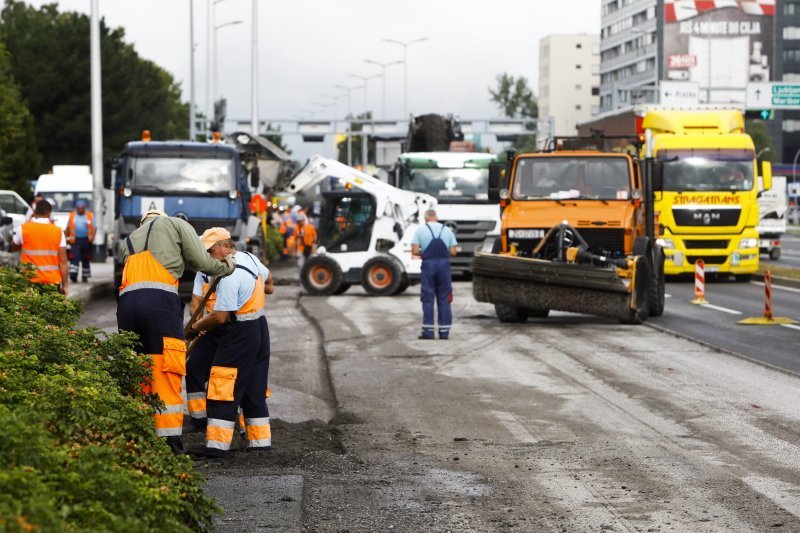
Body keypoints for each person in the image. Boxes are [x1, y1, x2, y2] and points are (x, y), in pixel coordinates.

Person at [116, 209, 236, 455]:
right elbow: (201, 262)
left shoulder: (127, 241)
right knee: (166, 371)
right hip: (159, 306)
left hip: (126, 308)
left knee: (137, 371)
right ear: (162, 217)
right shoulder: (176, 224)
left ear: (142, 223)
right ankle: (169, 449)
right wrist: (227, 267)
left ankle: (138, 441)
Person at [188, 236, 273, 458]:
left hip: (238, 333)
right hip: (259, 328)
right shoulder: (250, 259)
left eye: (210, 251)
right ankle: (260, 444)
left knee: (223, 387)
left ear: (225, 248)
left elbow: (220, 317)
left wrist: (196, 326)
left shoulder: (228, 276)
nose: (207, 257)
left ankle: (217, 448)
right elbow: (270, 282)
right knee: (254, 386)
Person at [411, 209, 458, 340]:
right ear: (436, 217)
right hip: (444, 266)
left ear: (425, 218)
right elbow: (453, 252)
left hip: (428, 266)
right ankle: (444, 332)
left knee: (428, 297)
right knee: (444, 298)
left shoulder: (420, 230)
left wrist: (425, 253)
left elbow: (415, 250)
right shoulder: (447, 230)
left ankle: (428, 332)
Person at [13, 200, 68, 293]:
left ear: (34, 212)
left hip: (29, 280)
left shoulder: (23, 228)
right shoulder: (58, 231)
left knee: (30, 307)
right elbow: (63, 262)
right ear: (50, 213)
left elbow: (14, 247)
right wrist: (65, 285)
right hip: (52, 281)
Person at [65, 199, 96, 282]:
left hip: (86, 240)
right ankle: (73, 275)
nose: (80, 209)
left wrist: (92, 237)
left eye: (81, 208)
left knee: (85, 259)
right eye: (78, 208)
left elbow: (94, 228)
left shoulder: (89, 215)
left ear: (84, 208)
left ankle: (85, 276)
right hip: (75, 241)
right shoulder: (72, 216)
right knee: (75, 258)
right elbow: (67, 228)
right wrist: (66, 238)